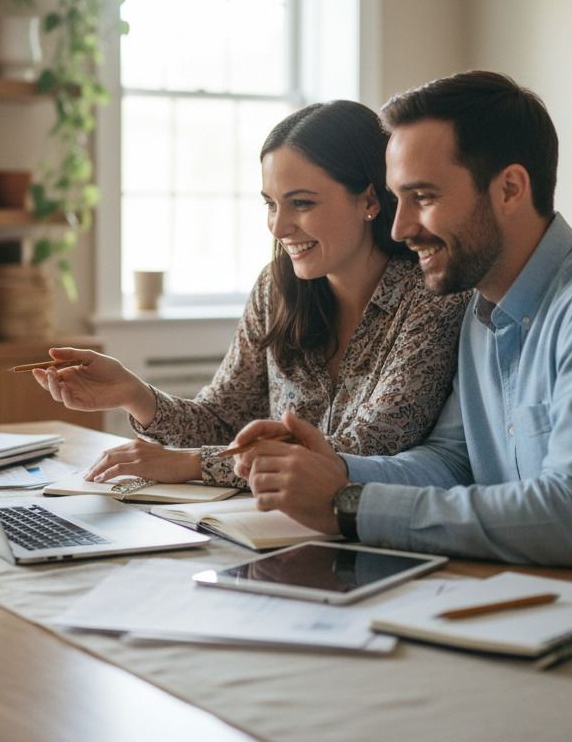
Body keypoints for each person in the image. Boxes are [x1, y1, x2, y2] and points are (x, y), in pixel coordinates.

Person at [232, 71, 572, 600]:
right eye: (396, 199)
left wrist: (350, 504)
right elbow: (454, 461)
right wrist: (335, 470)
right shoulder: (481, 310)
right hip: (542, 606)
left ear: (509, 189)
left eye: (422, 197)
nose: (399, 228)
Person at [35, 100, 471, 489]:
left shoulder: (433, 293)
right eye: (270, 203)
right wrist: (133, 394)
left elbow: (364, 449)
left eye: (301, 203)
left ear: (370, 199)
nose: (279, 228)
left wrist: (191, 465)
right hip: (272, 522)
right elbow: (221, 420)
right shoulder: (276, 287)